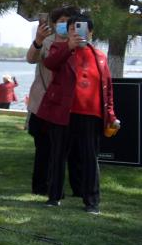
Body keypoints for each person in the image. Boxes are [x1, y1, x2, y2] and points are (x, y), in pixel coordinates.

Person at [37, 14, 115, 214]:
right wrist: (69, 47)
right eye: (71, 28)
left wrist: (111, 114)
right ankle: (54, 197)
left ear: (90, 32)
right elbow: (50, 63)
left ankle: (92, 202)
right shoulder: (59, 49)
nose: (75, 31)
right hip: (63, 112)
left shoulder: (99, 56)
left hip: (91, 114)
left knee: (90, 158)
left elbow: (107, 88)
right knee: (58, 155)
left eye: (80, 28)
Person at [25, 6, 78, 195]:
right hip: (43, 101)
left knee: (70, 148)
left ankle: (75, 186)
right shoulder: (46, 41)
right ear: (54, 24)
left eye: (69, 21)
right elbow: (31, 58)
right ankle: (41, 186)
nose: (65, 24)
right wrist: (38, 40)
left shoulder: (80, 43)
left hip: (70, 104)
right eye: (61, 21)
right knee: (43, 146)